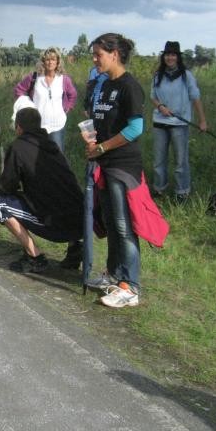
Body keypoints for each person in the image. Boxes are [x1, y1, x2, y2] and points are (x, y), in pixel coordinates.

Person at [85, 33, 146, 308]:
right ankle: (113, 274)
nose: (94, 60)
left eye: (98, 54)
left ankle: (130, 286)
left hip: (123, 165)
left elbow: (135, 128)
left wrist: (102, 147)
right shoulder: (102, 84)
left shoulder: (129, 87)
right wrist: (91, 142)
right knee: (110, 222)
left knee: (123, 225)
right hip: (104, 163)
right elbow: (97, 118)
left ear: (115, 54)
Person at [0, 107, 83, 273]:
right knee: (60, 194)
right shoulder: (51, 145)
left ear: (19, 127)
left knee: (0, 204)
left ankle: (35, 257)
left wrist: (14, 189)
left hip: (55, 223)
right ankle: (75, 249)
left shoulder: (18, 146)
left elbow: (6, 186)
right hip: (80, 221)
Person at [150, 40, 207, 202]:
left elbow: (195, 98)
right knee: (158, 160)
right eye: (167, 55)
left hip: (179, 124)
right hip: (160, 122)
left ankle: (182, 191)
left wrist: (202, 121)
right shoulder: (158, 75)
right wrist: (160, 106)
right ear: (164, 57)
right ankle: (159, 189)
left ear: (178, 57)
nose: (170, 58)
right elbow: (153, 96)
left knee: (181, 161)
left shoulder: (186, 76)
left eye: (173, 55)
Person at [13, 47, 78, 152]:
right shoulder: (34, 77)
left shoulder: (64, 79)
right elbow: (18, 90)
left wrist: (67, 108)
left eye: (53, 59)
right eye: (47, 59)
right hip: (36, 125)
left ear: (57, 62)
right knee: (36, 155)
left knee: (56, 155)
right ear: (43, 61)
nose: (50, 62)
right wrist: (27, 105)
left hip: (57, 125)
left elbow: (73, 94)